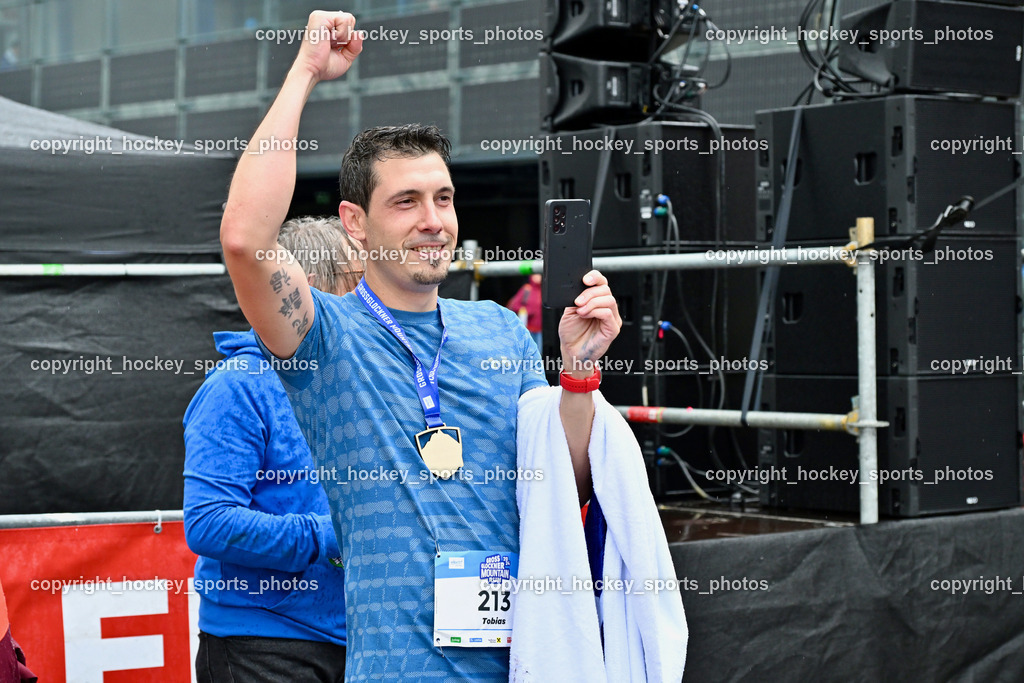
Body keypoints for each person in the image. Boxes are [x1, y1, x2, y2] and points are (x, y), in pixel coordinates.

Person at [218, 10, 621, 680]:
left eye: (444, 197)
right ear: (356, 223)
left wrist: (579, 374)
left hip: (520, 666)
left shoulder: (498, 329)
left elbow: (561, 485)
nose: (434, 221)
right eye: (406, 202)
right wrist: (305, 72)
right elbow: (243, 238)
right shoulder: (326, 339)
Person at [183, 216, 363, 682]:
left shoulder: (353, 382)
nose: (371, 303)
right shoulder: (238, 387)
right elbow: (208, 523)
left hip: (357, 637)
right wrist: (333, 536)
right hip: (261, 646)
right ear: (308, 291)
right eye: (359, 285)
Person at [506, 273, 543, 348]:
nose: (538, 277)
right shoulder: (527, 289)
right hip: (527, 327)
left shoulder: (544, 291)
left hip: (540, 329)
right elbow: (515, 305)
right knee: (527, 350)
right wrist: (528, 311)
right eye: (535, 274)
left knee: (538, 353)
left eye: (539, 274)